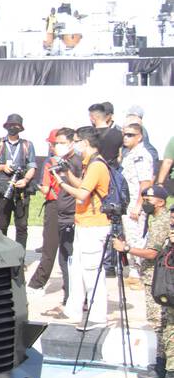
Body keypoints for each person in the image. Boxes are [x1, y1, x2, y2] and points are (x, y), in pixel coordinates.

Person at [113, 185, 172, 378]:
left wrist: (127, 249)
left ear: (161, 202)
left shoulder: (162, 221)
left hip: (158, 279)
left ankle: (162, 367)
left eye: (149, 198)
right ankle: (162, 365)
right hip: (155, 278)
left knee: (160, 324)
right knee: (160, 324)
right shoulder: (155, 219)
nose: (145, 201)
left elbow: (152, 253)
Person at [59, 126, 112, 330]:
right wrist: (65, 175)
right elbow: (83, 185)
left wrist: (63, 185)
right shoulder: (90, 163)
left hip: (94, 226)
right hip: (85, 224)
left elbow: (82, 194)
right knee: (78, 269)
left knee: (92, 273)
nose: (74, 145)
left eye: (77, 141)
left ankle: (98, 317)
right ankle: (74, 309)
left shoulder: (97, 165)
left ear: (85, 143)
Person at [31, 128, 77, 303]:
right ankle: (69, 290)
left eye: (58, 143)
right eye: (55, 143)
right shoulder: (77, 161)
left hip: (57, 205)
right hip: (71, 207)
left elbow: (45, 188)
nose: (54, 146)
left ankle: (37, 284)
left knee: (52, 248)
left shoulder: (53, 162)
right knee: (67, 252)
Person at [0, 114, 37, 248]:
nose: (13, 127)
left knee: (22, 226)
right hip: (3, 188)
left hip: (21, 189)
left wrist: (26, 179)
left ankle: (19, 259)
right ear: (6, 126)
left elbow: (32, 166)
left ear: (21, 128)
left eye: (16, 125)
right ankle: (2, 256)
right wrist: (2, 167)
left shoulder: (27, 145)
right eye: (10, 125)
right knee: (1, 225)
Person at [119, 122, 155, 276]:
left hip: (136, 202)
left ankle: (137, 272)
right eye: (124, 134)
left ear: (139, 137)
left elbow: (145, 183)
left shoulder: (141, 155)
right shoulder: (129, 153)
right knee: (129, 235)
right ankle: (133, 270)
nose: (126, 138)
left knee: (136, 237)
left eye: (130, 135)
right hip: (128, 201)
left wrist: (138, 205)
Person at [88, 101, 123, 166]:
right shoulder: (119, 134)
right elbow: (120, 158)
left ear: (92, 118)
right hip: (112, 172)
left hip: (94, 170)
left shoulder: (89, 135)